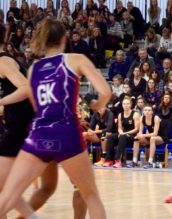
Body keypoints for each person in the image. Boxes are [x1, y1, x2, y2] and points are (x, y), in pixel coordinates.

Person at [0, 19, 111, 219]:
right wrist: (97, 105)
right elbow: (105, 92)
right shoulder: (76, 59)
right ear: (63, 38)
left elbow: (37, 106)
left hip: (38, 135)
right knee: (91, 195)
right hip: (67, 134)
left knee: (8, 196)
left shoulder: (34, 68)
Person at [0, 23, 37, 219]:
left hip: (20, 126)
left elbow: (26, 88)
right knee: (5, 188)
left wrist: (2, 101)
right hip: (17, 123)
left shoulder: (3, 62)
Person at [103, 97, 140, 168]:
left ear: (130, 105)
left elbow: (136, 129)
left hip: (132, 136)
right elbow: (119, 128)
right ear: (122, 105)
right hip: (123, 135)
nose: (126, 105)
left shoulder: (135, 114)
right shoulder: (120, 115)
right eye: (124, 104)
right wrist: (121, 132)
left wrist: (124, 133)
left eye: (127, 104)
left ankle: (118, 160)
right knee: (111, 137)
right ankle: (109, 160)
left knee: (123, 136)